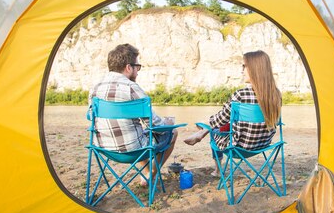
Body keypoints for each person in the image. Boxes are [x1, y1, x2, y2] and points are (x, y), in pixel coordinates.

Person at [89, 43, 178, 186]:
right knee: (172, 132)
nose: (138, 71)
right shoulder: (132, 88)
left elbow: (90, 117)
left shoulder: (95, 88)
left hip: (103, 148)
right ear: (128, 67)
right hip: (133, 151)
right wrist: (167, 124)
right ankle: (151, 174)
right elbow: (154, 124)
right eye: (137, 67)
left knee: (139, 133)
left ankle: (146, 173)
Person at [184, 50, 281, 176]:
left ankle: (217, 169)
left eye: (244, 66)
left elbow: (218, 121)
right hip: (264, 144)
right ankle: (202, 132)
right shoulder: (276, 95)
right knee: (229, 122)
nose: (242, 70)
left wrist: (204, 122)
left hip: (239, 146)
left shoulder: (240, 95)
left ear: (254, 69)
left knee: (214, 129)